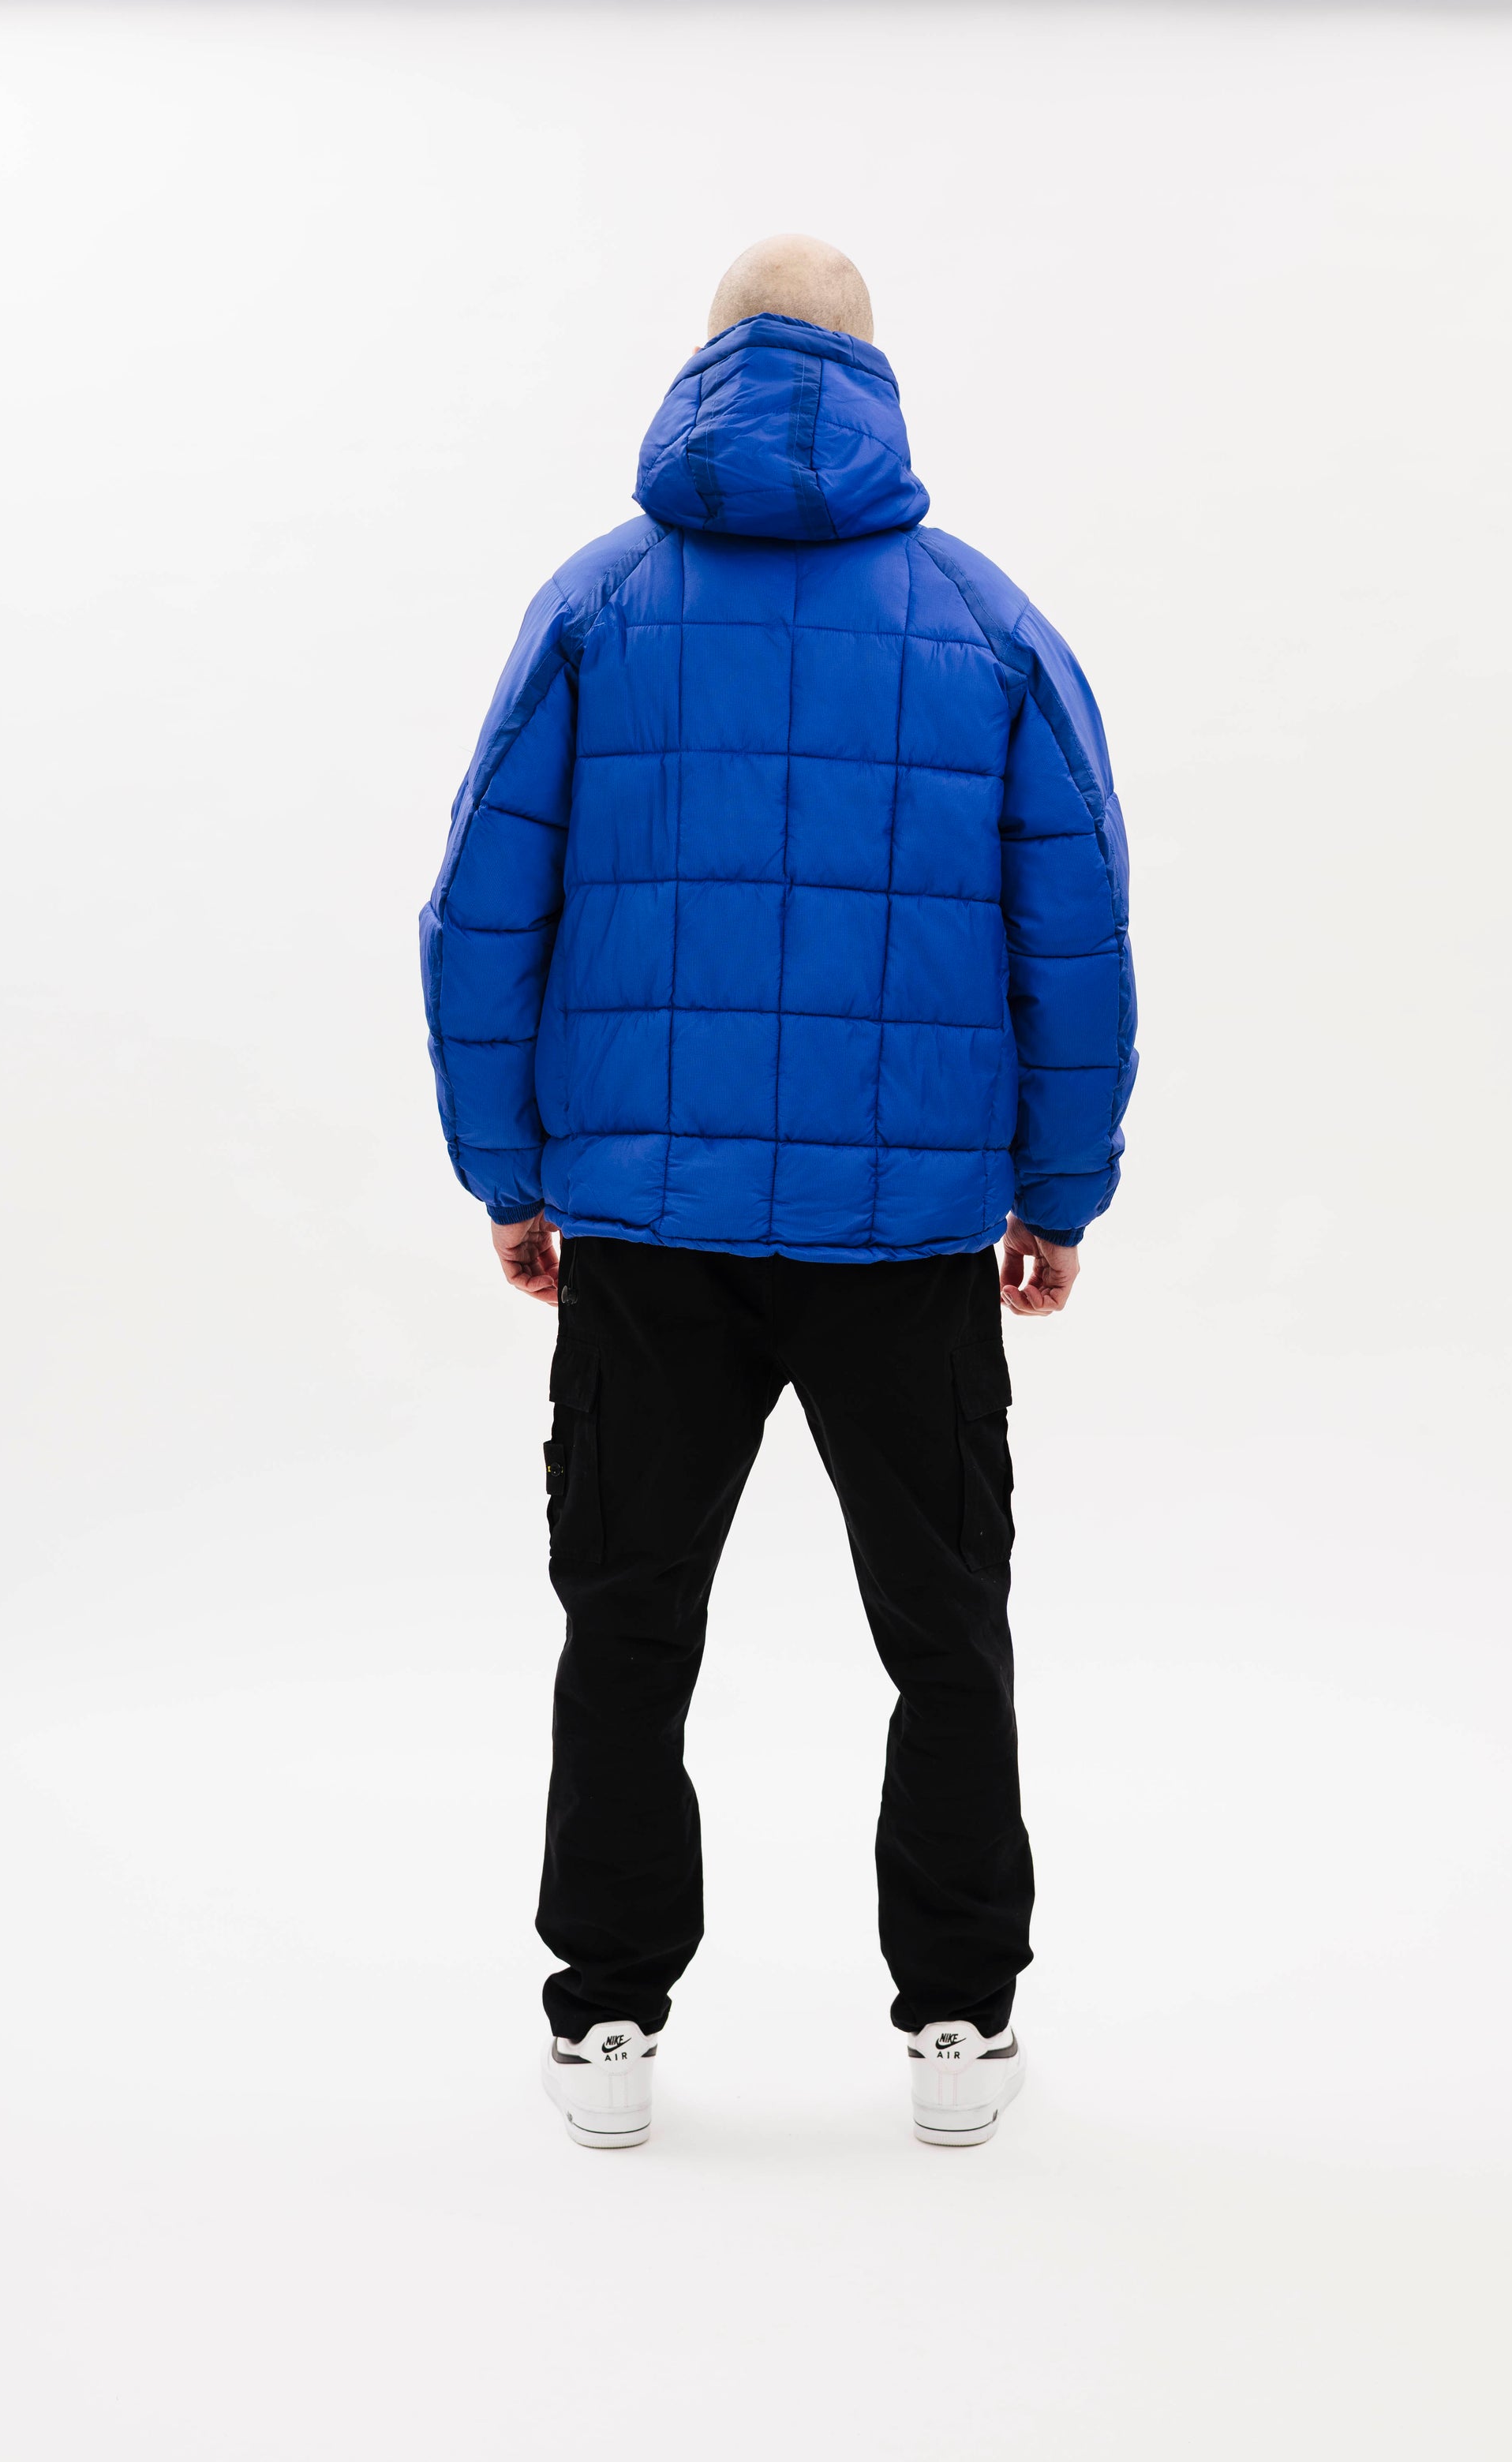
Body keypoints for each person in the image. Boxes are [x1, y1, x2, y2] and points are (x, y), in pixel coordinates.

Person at [419, 234, 1136, 2150]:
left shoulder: (595, 604)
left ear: (704, 365)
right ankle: (960, 2019)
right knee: (944, 1629)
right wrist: (1056, 1194)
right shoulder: (982, 620)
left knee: (625, 1623)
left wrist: (509, 1172)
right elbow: (1074, 932)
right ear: (873, 373)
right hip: (906, 1236)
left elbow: (481, 908)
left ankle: (604, 2016)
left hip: (643, 1229)